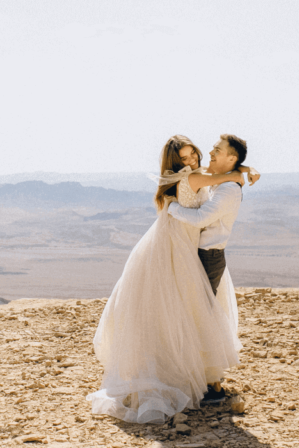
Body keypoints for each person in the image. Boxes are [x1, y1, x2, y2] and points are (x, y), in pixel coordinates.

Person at [87, 135, 255, 424]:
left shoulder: (192, 177)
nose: (191, 161)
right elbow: (224, 182)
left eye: (194, 155)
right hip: (178, 246)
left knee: (184, 310)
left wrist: (244, 170)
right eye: (184, 158)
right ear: (175, 162)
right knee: (188, 309)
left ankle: (194, 374)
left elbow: (225, 176)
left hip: (184, 245)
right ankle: (192, 377)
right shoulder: (191, 179)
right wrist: (242, 172)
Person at [167, 133, 251, 400]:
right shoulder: (220, 179)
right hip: (200, 254)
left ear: (231, 157)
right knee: (196, 316)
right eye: (213, 148)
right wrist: (244, 170)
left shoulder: (227, 189)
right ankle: (200, 378)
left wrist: (171, 210)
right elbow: (212, 175)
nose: (210, 152)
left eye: (218, 149)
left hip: (208, 257)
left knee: (203, 319)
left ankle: (211, 383)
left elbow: (202, 217)